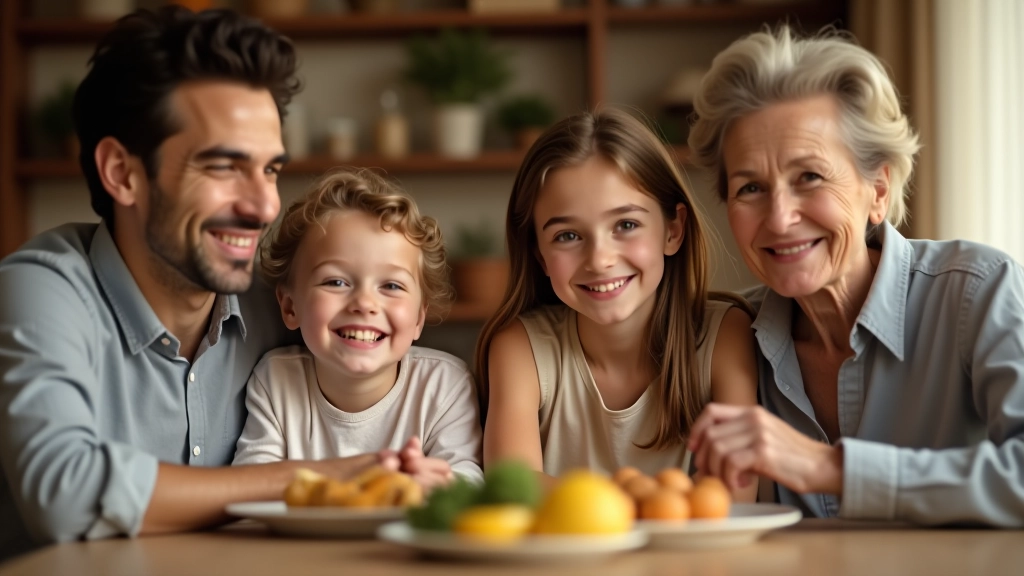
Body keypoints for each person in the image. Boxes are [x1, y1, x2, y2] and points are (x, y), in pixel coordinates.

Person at [0, 7, 384, 561]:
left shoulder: (280, 305)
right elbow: (65, 492)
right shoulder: (38, 291)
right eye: (224, 167)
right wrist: (308, 479)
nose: (264, 206)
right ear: (122, 173)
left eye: (270, 170)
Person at [685, 26, 1024, 526]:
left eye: (810, 177)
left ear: (879, 190)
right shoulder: (726, 336)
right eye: (750, 187)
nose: (779, 219)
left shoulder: (978, 291)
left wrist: (829, 467)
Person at [475, 108, 759, 499]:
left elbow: (734, 493)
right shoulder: (520, 347)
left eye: (625, 225)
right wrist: (645, 504)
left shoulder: (725, 333)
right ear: (539, 255)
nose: (599, 259)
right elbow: (513, 487)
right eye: (567, 236)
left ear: (673, 230)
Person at [232, 169, 483, 486]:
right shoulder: (275, 381)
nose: (364, 303)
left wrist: (436, 484)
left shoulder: (444, 385)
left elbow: (469, 480)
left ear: (419, 317)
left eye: (391, 285)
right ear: (290, 306)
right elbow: (248, 482)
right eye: (336, 281)